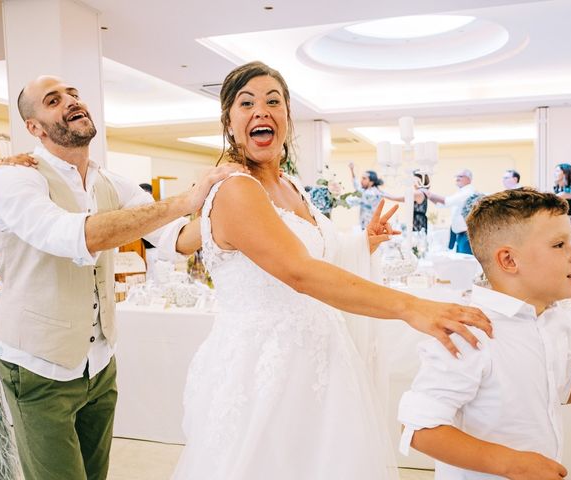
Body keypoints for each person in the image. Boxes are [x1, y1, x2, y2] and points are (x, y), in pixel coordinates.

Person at [170, 61, 491, 480]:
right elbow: (299, 272)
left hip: (320, 358)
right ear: (229, 122)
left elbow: (319, 254)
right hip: (263, 366)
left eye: (273, 101)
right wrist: (411, 307)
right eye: (246, 103)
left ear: (287, 117)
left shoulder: (292, 186)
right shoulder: (234, 191)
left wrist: (362, 243)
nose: (261, 111)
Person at [0, 75, 243, 480]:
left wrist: (234, 212)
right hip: (38, 367)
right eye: (53, 100)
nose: (71, 101)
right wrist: (184, 199)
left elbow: (175, 238)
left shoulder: (109, 181)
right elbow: (75, 236)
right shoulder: (12, 178)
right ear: (34, 128)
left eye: (73, 92)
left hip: (100, 365)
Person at [398, 188, 571, 480]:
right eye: (559, 245)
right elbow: (418, 428)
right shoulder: (470, 332)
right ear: (508, 260)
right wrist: (511, 464)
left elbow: (564, 386)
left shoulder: (552, 320)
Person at [422, 168, 475, 254]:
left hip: (466, 235)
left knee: (465, 262)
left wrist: (428, 193)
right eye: (456, 176)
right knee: (461, 261)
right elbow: (442, 205)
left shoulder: (468, 191)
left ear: (469, 179)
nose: (457, 178)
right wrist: (428, 196)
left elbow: (447, 201)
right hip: (460, 234)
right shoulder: (460, 192)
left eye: (460, 176)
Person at [348, 162, 402, 229]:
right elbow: (356, 184)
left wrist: (409, 198)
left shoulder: (376, 192)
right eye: (362, 178)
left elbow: (392, 197)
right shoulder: (363, 190)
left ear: (371, 182)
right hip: (363, 224)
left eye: (364, 178)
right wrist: (352, 169)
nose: (361, 180)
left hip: (372, 225)